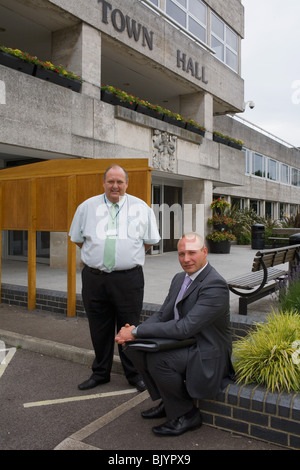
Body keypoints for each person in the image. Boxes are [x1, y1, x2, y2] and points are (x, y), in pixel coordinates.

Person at [115, 232, 234, 436]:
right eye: (181, 254)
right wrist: (134, 334)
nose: (186, 259)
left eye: (192, 253)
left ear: (204, 252)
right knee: (133, 349)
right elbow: (163, 315)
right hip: (185, 342)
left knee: (159, 360)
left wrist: (136, 331)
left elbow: (185, 327)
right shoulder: (180, 278)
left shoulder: (215, 285)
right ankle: (170, 401)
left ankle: (187, 414)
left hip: (205, 349)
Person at [69, 164, 160, 392]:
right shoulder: (87, 207)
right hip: (95, 279)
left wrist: (126, 257)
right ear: (104, 183)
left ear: (127, 184)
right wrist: (98, 256)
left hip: (128, 280)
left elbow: (149, 241)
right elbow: (78, 239)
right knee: (98, 328)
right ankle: (100, 373)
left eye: (120, 181)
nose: (115, 186)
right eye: (111, 181)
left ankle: (134, 374)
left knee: (129, 327)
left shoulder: (141, 208)